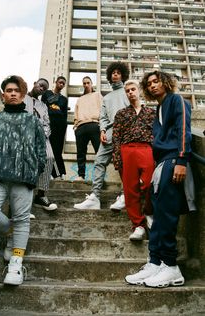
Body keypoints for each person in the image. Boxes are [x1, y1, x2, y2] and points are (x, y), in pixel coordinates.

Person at [125, 70, 194, 288]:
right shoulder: (159, 108)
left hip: (174, 160)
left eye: (157, 81)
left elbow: (184, 129)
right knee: (155, 214)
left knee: (167, 214)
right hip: (161, 163)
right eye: (150, 83)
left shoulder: (177, 101)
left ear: (165, 82)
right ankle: (155, 262)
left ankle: (172, 267)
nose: (153, 86)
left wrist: (182, 160)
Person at [0, 75, 47, 286]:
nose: (13, 93)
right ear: (3, 95)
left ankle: (16, 264)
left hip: (23, 177)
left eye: (17, 91)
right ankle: (11, 231)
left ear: (23, 95)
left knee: (23, 219)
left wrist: (34, 169)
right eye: (9, 90)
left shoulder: (33, 120)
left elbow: (41, 151)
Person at [74, 62, 129, 210]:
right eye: (113, 73)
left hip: (125, 132)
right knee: (99, 161)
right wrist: (103, 131)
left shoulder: (128, 91)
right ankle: (95, 197)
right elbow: (103, 117)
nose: (115, 74)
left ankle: (125, 195)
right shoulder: (107, 98)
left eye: (118, 72)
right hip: (109, 134)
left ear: (123, 75)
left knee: (124, 164)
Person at [112, 80, 155, 240]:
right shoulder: (121, 113)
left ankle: (149, 212)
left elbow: (157, 134)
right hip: (127, 150)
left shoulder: (151, 112)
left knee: (150, 183)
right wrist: (117, 159)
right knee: (130, 190)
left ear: (139, 91)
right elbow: (116, 137)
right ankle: (138, 225)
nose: (130, 92)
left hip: (146, 149)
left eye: (133, 89)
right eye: (127, 91)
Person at [24, 78, 57, 213]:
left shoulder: (43, 106)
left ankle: (41, 195)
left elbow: (47, 123)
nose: (42, 88)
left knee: (49, 157)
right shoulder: (22, 97)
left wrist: (43, 134)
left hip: (42, 136)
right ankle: (26, 202)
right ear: (34, 83)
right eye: (41, 85)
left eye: (45, 88)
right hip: (25, 135)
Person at [73, 76, 102, 181]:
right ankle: (81, 175)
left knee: (99, 152)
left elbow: (103, 109)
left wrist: (102, 125)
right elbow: (76, 113)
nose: (86, 85)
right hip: (81, 126)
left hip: (94, 124)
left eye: (88, 83)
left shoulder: (97, 95)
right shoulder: (80, 99)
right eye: (84, 83)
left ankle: (100, 176)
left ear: (91, 84)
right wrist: (76, 126)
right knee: (80, 153)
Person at [42, 76, 68, 179]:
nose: (61, 85)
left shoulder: (64, 99)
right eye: (60, 82)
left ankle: (59, 174)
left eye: (63, 84)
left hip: (59, 127)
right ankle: (47, 173)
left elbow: (64, 114)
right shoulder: (47, 93)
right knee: (47, 150)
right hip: (47, 125)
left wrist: (64, 128)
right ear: (56, 82)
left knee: (57, 150)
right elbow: (43, 107)